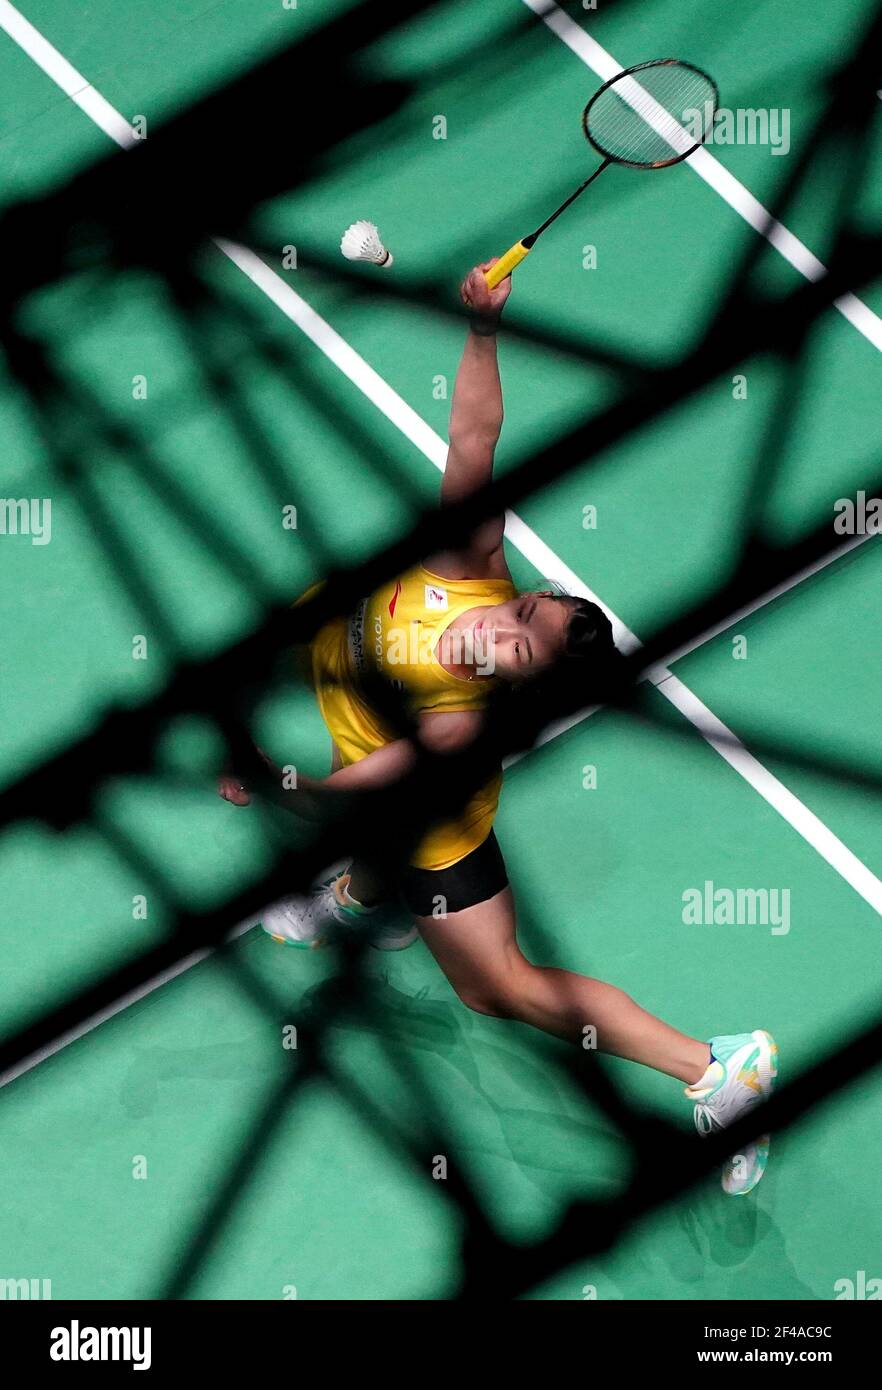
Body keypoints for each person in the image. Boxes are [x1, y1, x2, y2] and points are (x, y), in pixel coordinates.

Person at [219, 261, 777, 1195]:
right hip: (366, 753)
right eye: (523, 617)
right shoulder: (468, 560)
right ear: (533, 591)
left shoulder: (454, 725)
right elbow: (474, 432)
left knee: (497, 988)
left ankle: (719, 1065)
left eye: (519, 653)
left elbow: (353, 790)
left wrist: (276, 785)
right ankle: (369, 902)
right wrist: (481, 330)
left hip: (427, 823)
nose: (498, 632)